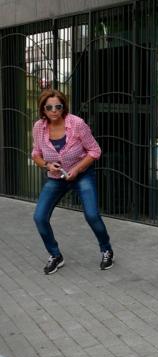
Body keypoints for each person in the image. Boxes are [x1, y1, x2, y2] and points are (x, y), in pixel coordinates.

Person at [31, 89, 114, 274]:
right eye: (49, 107)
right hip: (56, 177)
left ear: (63, 107)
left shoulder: (77, 124)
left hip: (82, 174)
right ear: (43, 109)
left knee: (92, 215)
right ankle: (55, 254)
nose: (54, 110)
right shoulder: (39, 127)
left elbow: (95, 151)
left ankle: (106, 249)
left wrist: (77, 169)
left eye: (58, 106)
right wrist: (46, 165)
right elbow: (35, 154)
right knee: (39, 217)